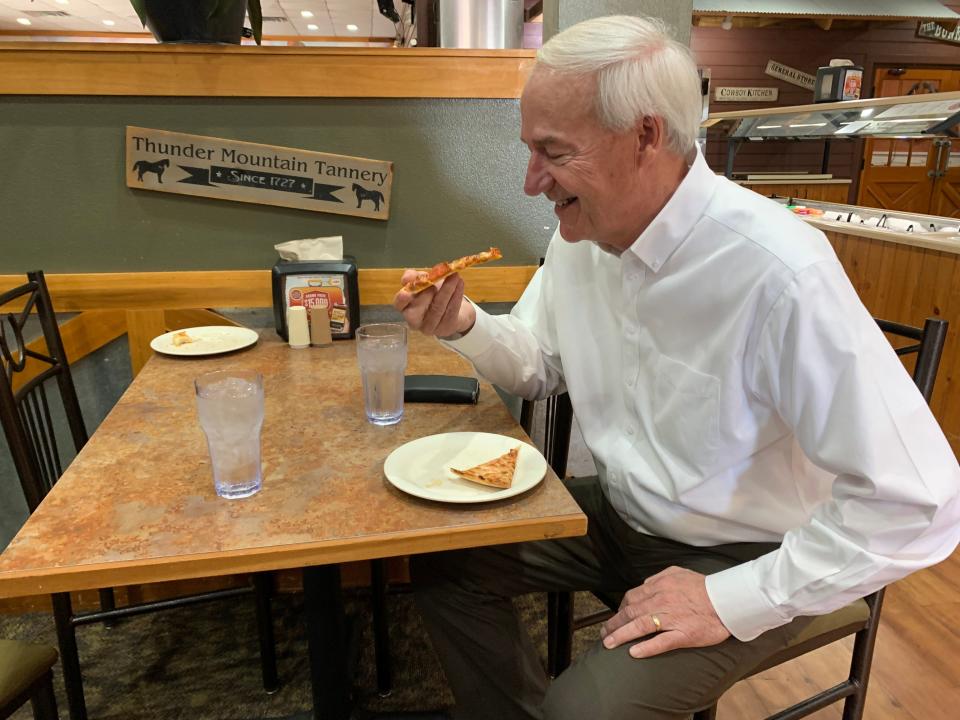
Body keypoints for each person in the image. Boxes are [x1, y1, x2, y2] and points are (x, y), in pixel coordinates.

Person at [393, 14, 960, 720]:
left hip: (746, 552)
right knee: (445, 563)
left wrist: (730, 599)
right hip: (621, 516)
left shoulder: (779, 271)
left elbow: (923, 502)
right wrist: (465, 325)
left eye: (552, 152)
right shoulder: (580, 237)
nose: (532, 181)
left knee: (585, 713)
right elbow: (540, 365)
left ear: (646, 136)